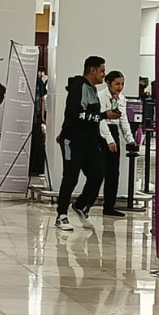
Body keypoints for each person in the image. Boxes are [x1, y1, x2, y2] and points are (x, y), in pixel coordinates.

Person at [55, 56, 109, 232]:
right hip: (74, 142)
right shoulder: (78, 87)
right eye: (101, 70)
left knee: (97, 174)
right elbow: (77, 115)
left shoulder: (92, 89)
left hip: (90, 143)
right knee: (70, 177)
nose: (104, 74)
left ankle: (81, 205)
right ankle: (61, 215)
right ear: (92, 70)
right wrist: (104, 116)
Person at [99, 71, 136, 217]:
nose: (120, 87)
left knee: (113, 172)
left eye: (122, 84)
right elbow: (101, 120)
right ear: (108, 83)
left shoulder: (121, 98)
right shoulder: (101, 96)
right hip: (102, 133)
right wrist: (109, 140)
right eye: (117, 84)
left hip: (114, 131)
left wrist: (130, 138)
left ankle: (109, 206)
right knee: (99, 172)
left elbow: (123, 119)